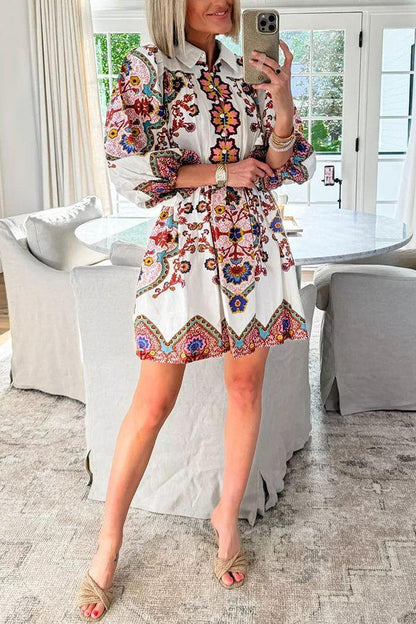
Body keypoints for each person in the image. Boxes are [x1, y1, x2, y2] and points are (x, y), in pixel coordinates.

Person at [78, 0, 316, 619]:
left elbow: (283, 165)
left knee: (245, 387)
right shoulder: (148, 67)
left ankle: (226, 516)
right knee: (154, 401)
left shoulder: (246, 68)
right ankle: (109, 541)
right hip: (183, 251)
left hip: (254, 245)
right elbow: (126, 164)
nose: (223, 1)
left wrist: (282, 101)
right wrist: (218, 173)